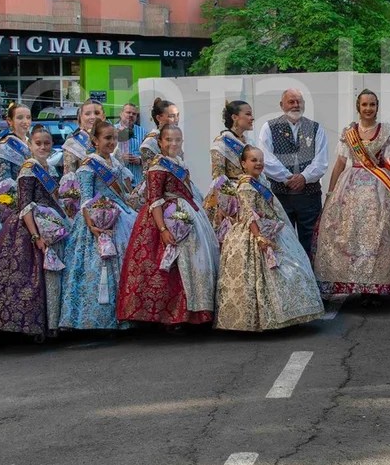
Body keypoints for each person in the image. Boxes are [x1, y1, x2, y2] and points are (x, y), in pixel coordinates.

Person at [216, 144, 326, 331]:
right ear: (243, 163)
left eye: (260, 160)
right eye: (253, 160)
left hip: (271, 228)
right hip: (255, 233)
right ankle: (265, 318)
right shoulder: (246, 186)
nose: (258, 163)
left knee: (293, 267)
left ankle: (290, 313)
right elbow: (250, 214)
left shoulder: (261, 181)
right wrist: (259, 238)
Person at [117, 125, 218, 327]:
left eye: (177, 140)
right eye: (169, 140)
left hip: (187, 215)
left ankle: (196, 310)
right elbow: (154, 200)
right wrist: (162, 229)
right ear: (160, 143)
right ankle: (172, 316)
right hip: (165, 219)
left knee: (194, 263)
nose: (173, 144)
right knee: (170, 267)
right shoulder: (157, 166)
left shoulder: (180, 163)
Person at [314, 89, 390, 302]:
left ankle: (376, 285)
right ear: (359, 107)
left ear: (377, 106)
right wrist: (330, 193)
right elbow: (340, 163)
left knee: (379, 235)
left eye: (372, 105)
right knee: (352, 233)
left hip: (380, 188)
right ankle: (355, 283)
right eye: (365, 104)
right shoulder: (349, 133)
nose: (368, 109)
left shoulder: (387, 132)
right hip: (351, 187)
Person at [0, 127, 68, 340]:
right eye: (38, 143)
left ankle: (54, 322)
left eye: (47, 143)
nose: (43, 147)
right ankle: (36, 326)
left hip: (52, 225)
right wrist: (36, 236)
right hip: (30, 229)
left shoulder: (51, 169)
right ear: (30, 145)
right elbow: (25, 205)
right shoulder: (28, 168)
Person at [57, 119, 138, 331]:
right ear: (95, 140)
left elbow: (126, 193)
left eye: (114, 138)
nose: (112, 142)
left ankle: (127, 313)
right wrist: (92, 225)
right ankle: (98, 318)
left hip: (121, 215)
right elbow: (85, 198)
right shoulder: (88, 165)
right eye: (107, 138)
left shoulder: (116, 163)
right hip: (95, 218)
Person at [255, 89, 330, 260]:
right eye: (291, 101)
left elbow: (321, 160)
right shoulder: (269, 127)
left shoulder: (316, 128)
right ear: (282, 105)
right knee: (283, 238)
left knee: (311, 240)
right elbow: (265, 158)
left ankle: (311, 280)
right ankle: (288, 281)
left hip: (309, 196)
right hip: (281, 196)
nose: (296, 105)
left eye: (299, 101)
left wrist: (304, 177)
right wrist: (287, 178)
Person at [207, 99, 255, 234]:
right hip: (232, 198)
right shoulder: (221, 143)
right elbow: (218, 178)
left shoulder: (249, 142)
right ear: (235, 117)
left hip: (251, 192)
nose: (252, 118)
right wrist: (227, 205)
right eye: (248, 114)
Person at [0, 103, 35, 186]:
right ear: (10, 121)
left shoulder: (32, 143)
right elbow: (4, 180)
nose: (25, 121)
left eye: (28, 118)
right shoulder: (4, 147)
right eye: (20, 118)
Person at [62, 101, 106, 174]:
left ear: (104, 117)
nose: (93, 117)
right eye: (87, 114)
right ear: (80, 117)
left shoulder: (112, 139)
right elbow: (69, 176)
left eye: (97, 113)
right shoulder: (72, 143)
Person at [138, 98, 179, 173]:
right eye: (171, 116)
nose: (176, 119)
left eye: (177, 115)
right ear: (159, 118)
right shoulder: (150, 143)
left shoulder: (175, 138)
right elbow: (148, 175)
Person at [117, 102, 145, 186]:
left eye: (134, 114)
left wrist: (140, 160)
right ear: (121, 114)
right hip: (119, 182)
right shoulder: (111, 130)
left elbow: (150, 156)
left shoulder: (143, 132)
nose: (131, 115)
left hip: (138, 181)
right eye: (128, 112)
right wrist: (119, 158)